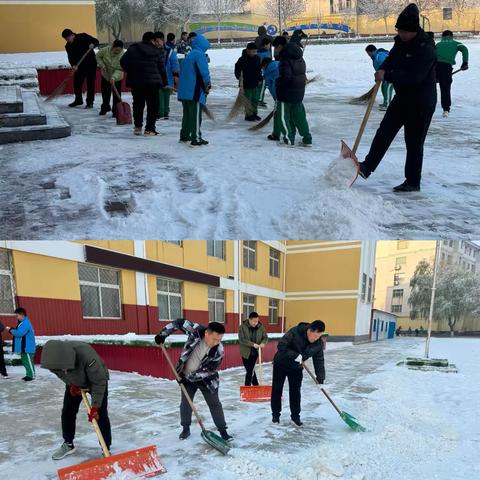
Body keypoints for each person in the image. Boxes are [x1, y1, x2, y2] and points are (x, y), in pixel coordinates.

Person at [358, 3, 436, 193]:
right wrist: (383, 68)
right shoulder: (400, 42)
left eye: (404, 31)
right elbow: (391, 58)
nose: (401, 34)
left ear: (414, 30)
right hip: (403, 98)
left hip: (421, 101)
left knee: (414, 142)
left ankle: (412, 181)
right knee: (384, 131)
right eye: (399, 30)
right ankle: (367, 167)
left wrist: (388, 76)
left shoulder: (426, 48)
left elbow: (414, 77)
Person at [154, 319, 232, 442]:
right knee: (186, 403)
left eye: (220, 339)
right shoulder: (195, 331)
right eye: (215, 339)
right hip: (186, 376)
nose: (217, 342)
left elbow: (209, 370)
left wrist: (187, 377)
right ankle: (185, 428)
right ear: (206, 333)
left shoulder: (218, 351)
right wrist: (163, 334)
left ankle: (223, 431)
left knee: (215, 404)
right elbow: (178, 322)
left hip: (207, 380)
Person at [40, 340, 111, 460]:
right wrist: (71, 384)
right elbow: (62, 375)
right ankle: (68, 444)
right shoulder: (52, 361)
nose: (62, 370)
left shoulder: (88, 356)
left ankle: (106, 448)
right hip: (75, 383)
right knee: (67, 411)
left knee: (100, 415)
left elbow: (99, 382)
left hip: (96, 382)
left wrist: (95, 407)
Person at [271, 320, 326, 426]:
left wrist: (320, 378)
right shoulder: (295, 332)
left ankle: (295, 416)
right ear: (309, 331)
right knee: (277, 389)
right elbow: (281, 345)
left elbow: (319, 360)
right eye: (314, 336)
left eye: (318, 337)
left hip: (296, 367)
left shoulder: (318, 343)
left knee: (295, 391)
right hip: (281, 363)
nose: (315, 339)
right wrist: (294, 355)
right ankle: (275, 415)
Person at [120, 32, 167, 136]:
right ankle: (149, 129)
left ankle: (137, 127)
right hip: (153, 83)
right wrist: (164, 82)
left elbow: (123, 61)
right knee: (153, 106)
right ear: (152, 40)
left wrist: (131, 70)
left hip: (136, 82)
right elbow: (162, 68)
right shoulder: (157, 51)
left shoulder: (132, 49)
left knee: (138, 104)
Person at [273, 35, 312, 147]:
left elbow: (286, 77)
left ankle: (288, 139)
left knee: (284, 117)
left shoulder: (285, 58)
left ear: (280, 46)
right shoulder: (299, 56)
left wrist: (278, 83)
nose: (275, 50)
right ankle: (307, 138)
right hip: (299, 91)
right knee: (299, 117)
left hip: (286, 92)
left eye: (276, 48)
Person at [177, 33, 211, 146]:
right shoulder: (199, 55)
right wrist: (207, 84)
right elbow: (204, 73)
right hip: (194, 91)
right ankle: (196, 137)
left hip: (185, 91)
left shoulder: (190, 55)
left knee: (187, 115)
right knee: (196, 115)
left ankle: (185, 135)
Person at [61, 28, 99, 108]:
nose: (67, 40)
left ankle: (90, 102)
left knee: (90, 83)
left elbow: (96, 41)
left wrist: (93, 45)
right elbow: (70, 58)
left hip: (90, 64)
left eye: (67, 38)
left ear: (72, 35)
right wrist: (73, 65)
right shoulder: (68, 46)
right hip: (79, 66)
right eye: (65, 39)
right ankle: (78, 100)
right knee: (77, 83)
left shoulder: (83, 36)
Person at [435, 30, 469, 117]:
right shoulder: (456, 43)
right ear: (451, 36)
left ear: (442, 37)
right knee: (445, 88)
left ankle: (424, 106)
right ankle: (446, 109)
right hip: (445, 67)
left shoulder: (438, 44)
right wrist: (465, 62)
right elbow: (464, 49)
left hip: (433, 66)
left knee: (429, 86)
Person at [154, 32, 180, 120]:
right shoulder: (152, 50)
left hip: (168, 78)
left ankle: (166, 113)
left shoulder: (169, 51)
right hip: (156, 79)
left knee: (166, 96)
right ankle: (160, 113)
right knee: (159, 96)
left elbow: (175, 63)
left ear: (163, 40)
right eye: (155, 41)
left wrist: (176, 74)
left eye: (158, 41)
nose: (157, 43)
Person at [4, 308, 36, 381]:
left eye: (17, 315)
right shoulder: (23, 322)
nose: (17, 317)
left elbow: (19, 333)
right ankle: (29, 374)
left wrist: (10, 329)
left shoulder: (25, 323)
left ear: (22, 315)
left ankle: (31, 376)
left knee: (28, 361)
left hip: (27, 347)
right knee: (26, 362)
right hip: (24, 347)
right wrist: (12, 329)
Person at [96, 39, 125, 117]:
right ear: (113, 47)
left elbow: (120, 69)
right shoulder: (105, 50)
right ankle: (105, 107)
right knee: (105, 93)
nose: (117, 52)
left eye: (120, 50)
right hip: (105, 75)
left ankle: (116, 111)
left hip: (117, 77)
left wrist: (113, 78)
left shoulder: (123, 55)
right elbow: (98, 56)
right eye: (116, 50)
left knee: (116, 95)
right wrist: (102, 65)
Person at [238, 312, 269, 386]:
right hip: (245, 353)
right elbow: (242, 339)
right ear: (249, 320)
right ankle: (256, 385)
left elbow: (265, 337)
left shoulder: (260, 327)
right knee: (250, 370)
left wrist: (263, 343)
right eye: (254, 321)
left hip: (255, 352)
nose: (256, 323)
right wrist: (252, 344)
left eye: (257, 321)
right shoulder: (242, 327)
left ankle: (247, 387)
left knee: (250, 371)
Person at [235, 42, 263, 121]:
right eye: (253, 51)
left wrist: (260, 78)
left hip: (255, 82)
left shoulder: (257, 58)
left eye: (255, 51)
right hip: (246, 83)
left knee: (255, 99)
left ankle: (254, 113)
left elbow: (258, 70)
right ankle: (248, 115)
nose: (254, 53)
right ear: (248, 50)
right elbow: (237, 69)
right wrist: (238, 76)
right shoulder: (242, 59)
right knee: (248, 100)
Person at [365, 44, 394, 110]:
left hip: (391, 75)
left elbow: (387, 64)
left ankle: (387, 105)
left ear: (370, 51)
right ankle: (385, 103)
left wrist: (383, 73)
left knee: (387, 88)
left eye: (367, 53)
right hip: (385, 76)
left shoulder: (379, 55)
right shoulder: (375, 56)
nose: (368, 55)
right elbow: (379, 67)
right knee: (383, 88)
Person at [261, 57, 281, 141]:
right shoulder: (279, 63)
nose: (262, 70)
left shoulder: (269, 72)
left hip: (281, 95)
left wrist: (276, 99)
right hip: (293, 93)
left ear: (265, 65)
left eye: (262, 68)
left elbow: (273, 88)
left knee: (278, 115)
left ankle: (277, 134)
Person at [257, 38, 272, 107]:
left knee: (262, 86)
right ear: (265, 45)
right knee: (262, 86)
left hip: (260, 71)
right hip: (263, 72)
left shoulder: (258, 52)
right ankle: (259, 100)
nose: (270, 46)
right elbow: (267, 62)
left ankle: (260, 99)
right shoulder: (265, 53)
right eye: (269, 45)